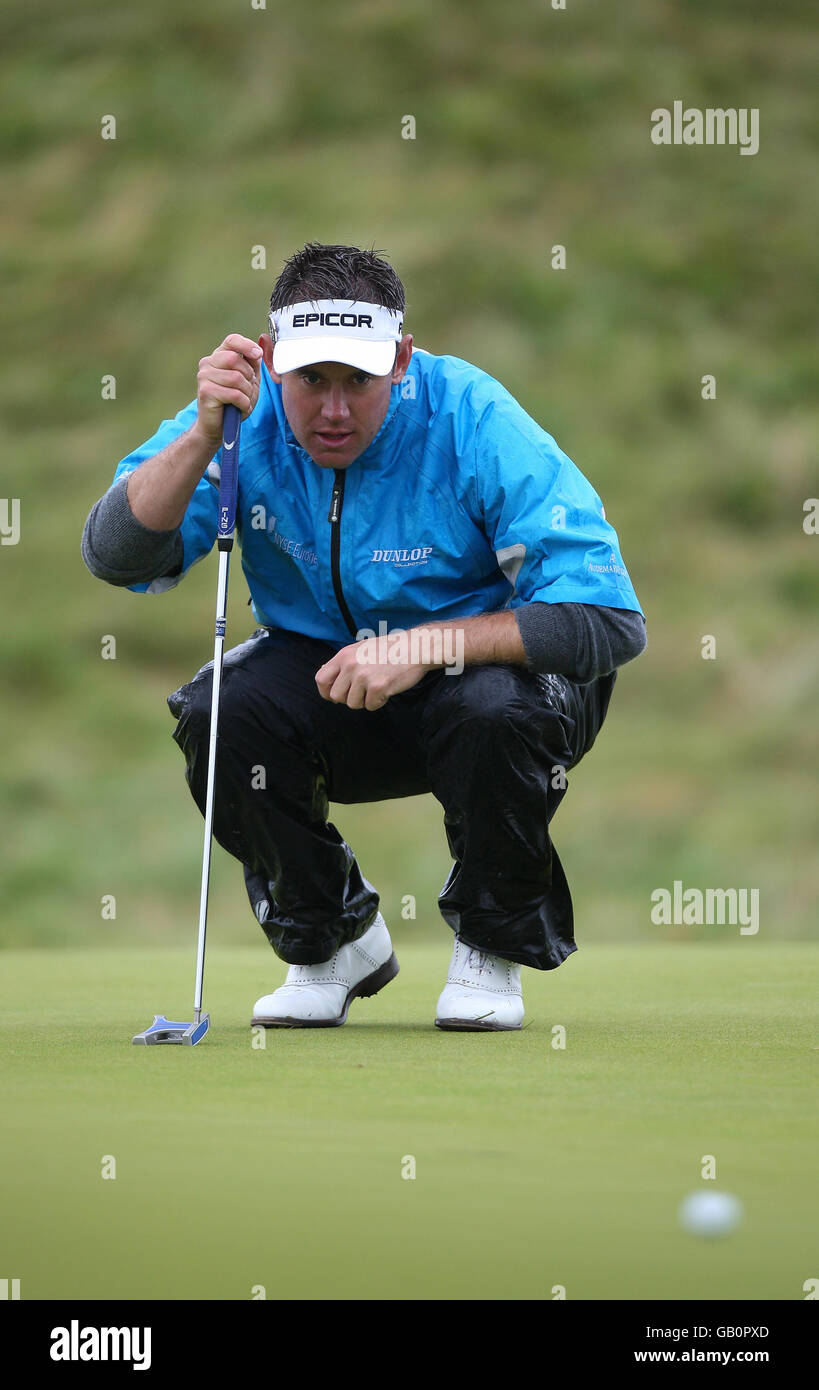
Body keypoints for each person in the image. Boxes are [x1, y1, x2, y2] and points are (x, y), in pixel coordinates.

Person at [82, 242, 646, 1032]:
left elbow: (607, 623)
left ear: (402, 359)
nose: (334, 410)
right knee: (220, 710)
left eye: (360, 381)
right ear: (273, 362)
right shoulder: (243, 417)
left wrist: (420, 648)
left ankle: (491, 946)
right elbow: (113, 554)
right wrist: (203, 437)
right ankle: (330, 940)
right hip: (333, 677)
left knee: (492, 709)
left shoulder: (471, 415)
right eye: (312, 380)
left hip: (491, 684)